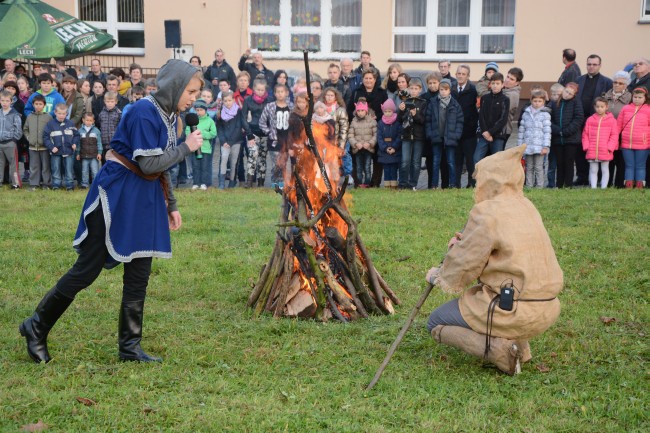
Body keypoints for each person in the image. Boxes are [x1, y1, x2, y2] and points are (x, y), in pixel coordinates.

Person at [19, 59, 204, 364]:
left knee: (139, 273)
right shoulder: (144, 111)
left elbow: (162, 163)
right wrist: (186, 147)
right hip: (117, 193)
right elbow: (148, 163)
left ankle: (129, 347)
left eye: (196, 92)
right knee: (87, 269)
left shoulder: (171, 117)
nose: (193, 97)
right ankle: (36, 326)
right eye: (191, 90)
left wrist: (171, 205)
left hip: (144, 198)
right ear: (175, 86)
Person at [425, 144, 563, 376]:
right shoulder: (527, 206)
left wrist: (438, 276)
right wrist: (465, 240)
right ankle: (522, 349)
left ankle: (502, 351)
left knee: (435, 321)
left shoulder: (487, 213)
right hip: (548, 305)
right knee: (504, 289)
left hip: (514, 309)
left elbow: (464, 265)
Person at [573, 55, 613, 186]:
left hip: (598, 121)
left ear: (600, 65)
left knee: (597, 149)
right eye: (589, 64)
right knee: (580, 149)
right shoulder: (578, 80)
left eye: (594, 64)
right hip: (580, 120)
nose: (591, 66)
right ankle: (582, 177)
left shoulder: (607, 82)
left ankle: (600, 179)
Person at [347, 68, 388, 187]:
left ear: (375, 80)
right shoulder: (356, 92)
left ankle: (374, 183)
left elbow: (386, 110)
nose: (368, 80)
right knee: (357, 157)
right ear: (362, 79)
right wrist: (357, 116)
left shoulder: (382, 92)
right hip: (359, 129)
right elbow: (349, 109)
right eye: (366, 78)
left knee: (376, 157)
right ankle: (358, 182)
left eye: (371, 78)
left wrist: (376, 117)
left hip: (375, 128)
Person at [425, 78, 464, 189]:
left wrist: (456, 135)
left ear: (450, 90)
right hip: (436, 137)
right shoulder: (433, 102)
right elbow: (428, 120)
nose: (443, 91)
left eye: (446, 89)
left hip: (450, 138)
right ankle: (434, 185)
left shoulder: (455, 104)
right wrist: (430, 134)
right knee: (435, 162)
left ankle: (453, 184)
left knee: (451, 162)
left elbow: (460, 121)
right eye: (441, 89)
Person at [259, 84, 293, 189]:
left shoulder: (291, 106)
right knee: (277, 163)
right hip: (274, 140)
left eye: (282, 91)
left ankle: (282, 184)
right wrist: (269, 132)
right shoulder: (270, 106)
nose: (280, 94)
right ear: (274, 94)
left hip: (287, 140)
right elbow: (262, 122)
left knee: (284, 163)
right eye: (277, 92)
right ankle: (275, 185)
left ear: (286, 93)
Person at [550, 82, 584, 188]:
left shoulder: (576, 102)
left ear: (574, 95)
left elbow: (578, 118)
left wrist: (566, 131)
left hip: (571, 139)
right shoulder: (555, 102)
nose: (567, 94)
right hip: (557, 138)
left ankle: (568, 184)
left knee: (569, 162)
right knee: (560, 162)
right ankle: (559, 184)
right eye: (566, 91)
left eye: (570, 93)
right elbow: (549, 118)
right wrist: (557, 130)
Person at [581, 97, 618, 189]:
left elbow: (614, 135)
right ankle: (593, 188)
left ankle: (603, 187)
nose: (599, 109)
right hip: (592, 149)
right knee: (593, 169)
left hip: (605, 150)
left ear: (606, 107)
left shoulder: (612, 120)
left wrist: (610, 147)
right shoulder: (590, 119)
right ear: (594, 107)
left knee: (605, 169)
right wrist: (586, 146)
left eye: (602, 106)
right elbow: (585, 134)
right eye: (597, 106)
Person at [604, 71, 632, 188]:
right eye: (615, 82)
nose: (617, 85)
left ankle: (619, 184)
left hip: (623, 132)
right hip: (608, 132)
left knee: (621, 159)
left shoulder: (630, 98)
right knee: (608, 158)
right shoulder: (606, 96)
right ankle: (607, 183)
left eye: (620, 83)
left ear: (625, 85)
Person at [397, 78, 427, 190]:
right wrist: (400, 110)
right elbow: (399, 120)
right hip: (406, 135)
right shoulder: (405, 102)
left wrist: (415, 115)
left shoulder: (423, 103)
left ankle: (413, 184)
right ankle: (402, 184)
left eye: (416, 89)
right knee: (405, 161)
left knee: (416, 162)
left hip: (419, 136)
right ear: (408, 89)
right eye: (412, 88)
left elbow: (423, 120)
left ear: (420, 90)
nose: (414, 91)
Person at [474, 72, 510, 165]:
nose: (495, 86)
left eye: (497, 83)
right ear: (490, 84)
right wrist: (485, 132)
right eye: (493, 83)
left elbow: (503, 119)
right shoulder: (485, 98)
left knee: (496, 162)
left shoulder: (505, 99)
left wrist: (491, 133)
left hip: (497, 135)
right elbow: (481, 116)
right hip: (484, 134)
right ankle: (481, 179)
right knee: (477, 158)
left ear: (502, 85)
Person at [617, 87, 650, 188]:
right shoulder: (625, 108)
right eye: (635, 97)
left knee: (640, 166)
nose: (637, 99)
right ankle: (629, 186)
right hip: (627, 144)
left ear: (645, 98)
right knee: (629, 166)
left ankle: (639, 186)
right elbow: (619, 124)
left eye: (640, 97)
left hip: (643, 144)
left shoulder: (648, 110)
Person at [452, 64, 479, 188]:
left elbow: (475, 111)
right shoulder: (451, 90)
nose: (461, 76)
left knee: (470, 161)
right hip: (455, 132)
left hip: (469, 132)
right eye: (459, 73)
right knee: (456, 160)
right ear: (456, 74)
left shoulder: (473, 90)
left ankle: (471, 183)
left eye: (463, 74)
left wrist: (472, 125)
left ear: (468, 76)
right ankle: (456, 184)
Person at [518, 89, 552, 188]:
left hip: (540, 147)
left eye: (540, 101)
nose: (537, 103)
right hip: (528, 146)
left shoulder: (545, 114)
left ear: (543, 102)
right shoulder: (526, 114)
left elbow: (547, 132)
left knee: (538, 167)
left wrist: (545, 146)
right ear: (531, 101)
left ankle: (539, 186)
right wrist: (520, 146)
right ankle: (529, 185)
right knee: (529, 167)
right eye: (535, 101)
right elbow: (521, 131)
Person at [242, 79, 272, 188]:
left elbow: (272, 118)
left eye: (262, 90)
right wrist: (249, 134)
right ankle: (249, 181)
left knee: (262, 157)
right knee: (252, 154)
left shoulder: (269, 101)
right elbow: (243, 118)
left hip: (265, 133)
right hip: (252, 132)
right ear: (254, 89)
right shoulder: (248, 100)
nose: (260, 92)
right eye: (258, 89)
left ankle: (261, 182)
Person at [43, 103, 79, 191]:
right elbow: (45, 137)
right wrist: (51, 147)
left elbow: (76, 135)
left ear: (67, 113)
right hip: (55, 151)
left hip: (68, 151)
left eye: (63, 114)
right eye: (59, 113)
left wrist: (74, 143)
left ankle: (69, 185)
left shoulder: (70, 123)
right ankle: (56, 185)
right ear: (55, 112)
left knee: (69, 169)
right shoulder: (50, 124)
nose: (61, 116)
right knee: (55, 168)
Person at [217, 90, 249, 188]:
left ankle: (232, 181)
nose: (227, 103)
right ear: (222, 101)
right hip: (225, 142)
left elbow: (238, 127)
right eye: (225, 101)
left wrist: (230, 142)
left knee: (234, 162)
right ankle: (221, 183)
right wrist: (223, 141)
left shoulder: (238, 111)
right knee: (224, 159)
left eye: (229, 100)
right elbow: (219, 128)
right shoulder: (220, 113)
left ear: (233, 100)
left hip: (236, 141)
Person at [187, 99, 217, 190]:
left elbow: (213, 133)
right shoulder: (193, 120)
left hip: (205, 148)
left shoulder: (210, 121)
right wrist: (193, 135)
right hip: (195, 147)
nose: (199, 112)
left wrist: (202, 135)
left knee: (205, 166)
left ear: (205, 110)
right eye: (197, 110)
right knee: (196, 166)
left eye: (201, 110)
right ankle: (196, 183)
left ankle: (204, 183)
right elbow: (188, 131)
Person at [24, 94, 51, 190]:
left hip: (45, 146)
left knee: (46, 166)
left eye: (40, 104)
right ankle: (34, 184)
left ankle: (46, 184)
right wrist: (29, 137)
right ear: (33, 105)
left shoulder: (48, 117)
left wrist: (48, 141)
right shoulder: (30, 117)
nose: (38, 106)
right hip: (32, 146)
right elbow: (25, 129)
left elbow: (51, 130)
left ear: (44, 105)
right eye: (36, 104)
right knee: (34, 166)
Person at [348, 99, 377, 188]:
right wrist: (356, 144)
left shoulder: (372, 121)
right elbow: (350, 135)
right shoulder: (354, 121)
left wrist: (370, 143)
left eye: (362, 110)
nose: (360, 112)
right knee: (359, 167)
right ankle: (360, 183)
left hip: (368, 148)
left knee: (367, 167)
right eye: (358, 111)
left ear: (366, 111)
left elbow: (375, 134)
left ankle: (367, 183)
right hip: (358, 148)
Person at [0, 90, 23, 188]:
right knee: (0, 164)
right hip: (0, 143)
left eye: (7, 101)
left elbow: (18, 129)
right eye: (2, 100)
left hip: (10, 143)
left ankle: (16, 183)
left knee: (13, 164)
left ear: (11, 101)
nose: (4, 103)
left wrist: (14, 140)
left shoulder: (15, 114)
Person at [376, 98, 402, 189]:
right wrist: (385, 148)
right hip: (384, 151)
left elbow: (399, 136)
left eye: (389, 111)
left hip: (395, 150)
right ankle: (387, 186)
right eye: (385, 111)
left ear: (393, 111)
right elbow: (379, 137)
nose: (387, 113)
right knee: (386, 169)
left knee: (394, 169)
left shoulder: (397, 123)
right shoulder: (380, 123)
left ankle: (394, 186)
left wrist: (394, 147)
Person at [76, 112, 103, 189]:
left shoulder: (96, 131)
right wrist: (78, 153)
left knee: (95, 170)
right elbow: (78, 144)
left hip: (94, 155)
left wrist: (99, 153)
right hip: (84, 155)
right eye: (87, 120)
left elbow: (99, 143)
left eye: (90, 120)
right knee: (84, 171)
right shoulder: (80, 131)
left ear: (93, 121)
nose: (88, 122)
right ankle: (84, 184)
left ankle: (95, 184)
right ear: (83, 120)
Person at [98, 92, 122, 161]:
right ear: (105, 102)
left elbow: (121, 127)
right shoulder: (102, 113)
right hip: (104, 142)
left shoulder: (119, 113)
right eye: (108, 101)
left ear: (116, 102)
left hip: (114, 142)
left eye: (112, 101)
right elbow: (100, 124)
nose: (110, 103)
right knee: (105, 160)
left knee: (114, 160)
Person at [502, 67, 523, 143]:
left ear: (517, 83)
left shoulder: (513, 95)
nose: (507, 80)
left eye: (512, 79)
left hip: (504, 130)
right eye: (507, 77)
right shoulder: (504, 89)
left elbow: (501, 110)